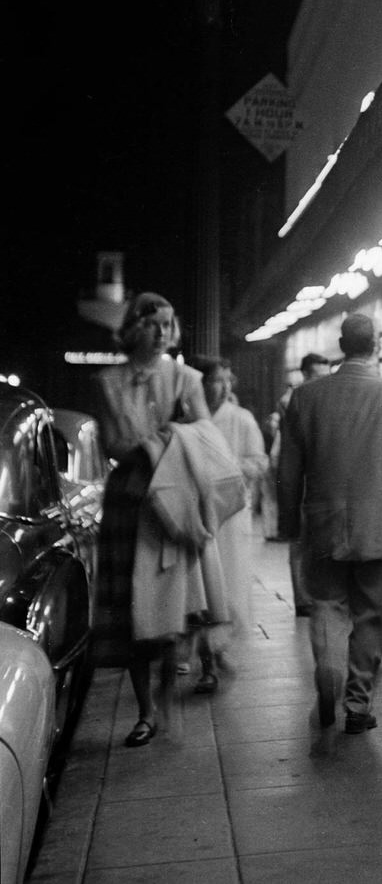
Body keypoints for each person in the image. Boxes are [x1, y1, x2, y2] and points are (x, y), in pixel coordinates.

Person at [277, 314, 382, 734]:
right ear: (375, 344)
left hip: (321, 525)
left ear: (341, 343)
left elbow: (288, 471)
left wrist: (289, 523)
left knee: (325, 604)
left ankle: (327, 670)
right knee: (373, 614)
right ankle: (357, 705)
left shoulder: (304, 398)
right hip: (378, 526)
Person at [93, 292, 213, 747]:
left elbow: (205, 437)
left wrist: (155, 441)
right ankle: (146, 710)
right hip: (130, 500)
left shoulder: (186, 378)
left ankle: (163, 701)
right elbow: (114, 446)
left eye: (168, 324)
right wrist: (154, 441)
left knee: (171, 611)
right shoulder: (107, 381)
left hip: (174, 500)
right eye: (153, 324)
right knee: (132, 615)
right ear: (134, 328)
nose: (162, 333)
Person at [192, 356, 266, 692]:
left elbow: (259, 463)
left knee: (230, 584)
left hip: (232, 516)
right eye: (215, 380)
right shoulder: (187, 421)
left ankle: (220, 648)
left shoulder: (242, 419)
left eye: (227, 380)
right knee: (201, 587)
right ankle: (206, 658)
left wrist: (226, 464)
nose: (223, 387)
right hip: (194, 513)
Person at [264, 352, 331, 540]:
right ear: (304, 374)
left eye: (327, 377)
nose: (323, 383)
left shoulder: (322, 401)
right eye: (318, 377)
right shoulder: (292, 401)